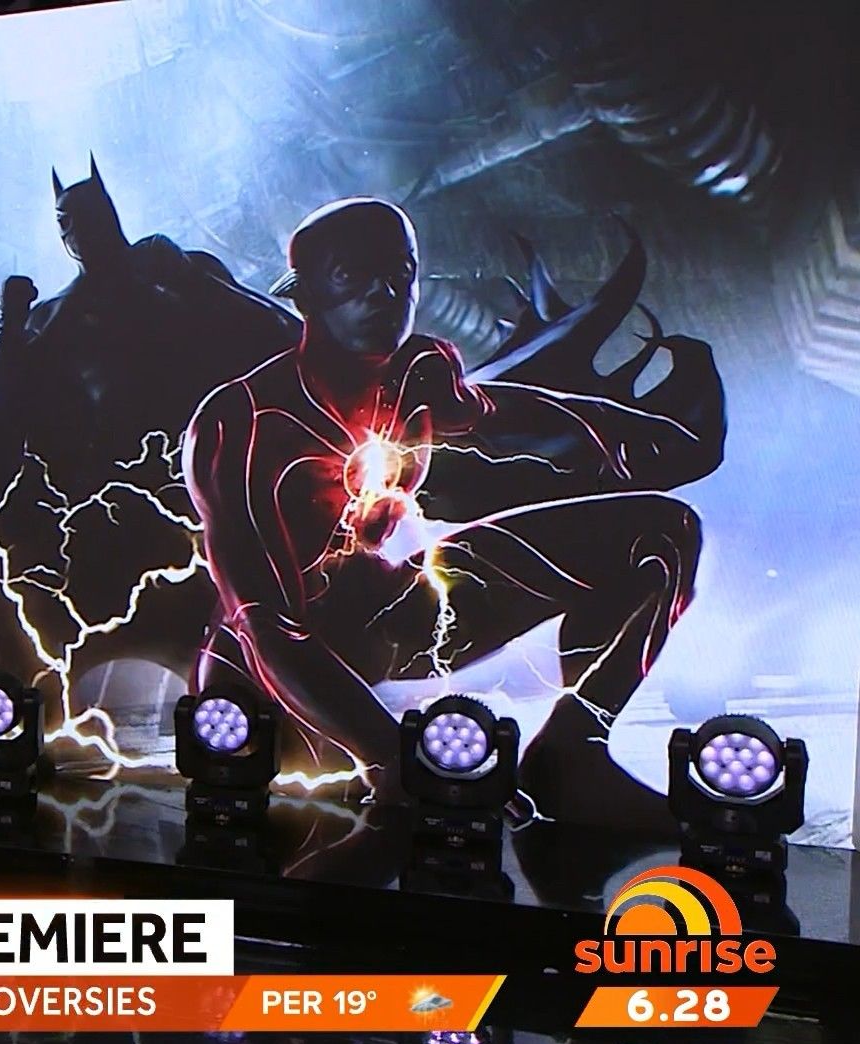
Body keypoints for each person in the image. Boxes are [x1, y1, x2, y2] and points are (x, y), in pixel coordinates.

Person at [184, 197, 722, 825]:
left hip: (384, 619)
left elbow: (497, 411)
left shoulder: (416, 374)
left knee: (664, 532)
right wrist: (394, 759)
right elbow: (266, 624)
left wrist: (621, 426)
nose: (385, 294)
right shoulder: (244, 423)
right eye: (352, 276)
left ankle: (573, 750)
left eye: (400, 273)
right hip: (265, 685)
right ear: (306, 295)